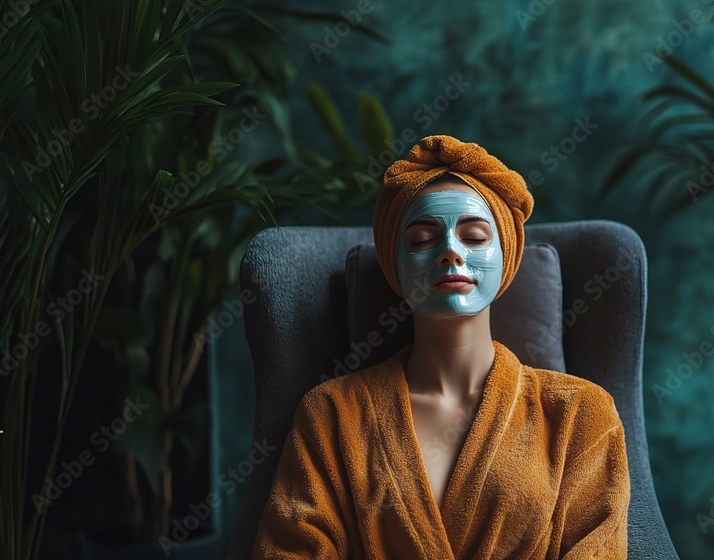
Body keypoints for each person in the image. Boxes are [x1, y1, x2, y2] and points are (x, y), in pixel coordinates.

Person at [252, 135, 629, 559]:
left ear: (506, 258)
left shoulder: (582, 414)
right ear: (395, 265)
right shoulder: (332, 414)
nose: (450, 251)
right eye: (422, 240)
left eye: (474, 236)